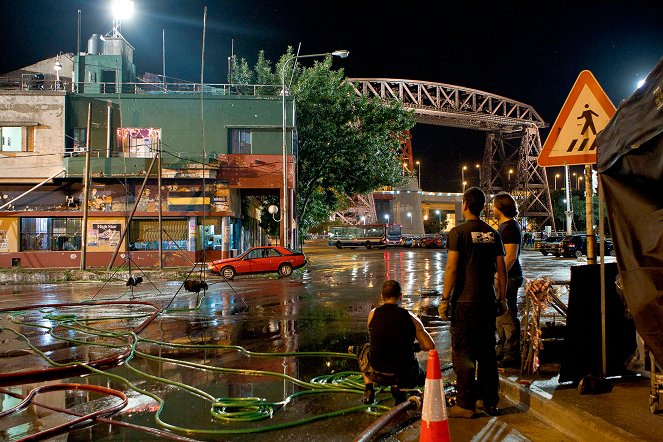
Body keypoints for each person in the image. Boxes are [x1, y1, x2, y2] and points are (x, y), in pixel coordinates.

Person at [438, 187, 507, 418]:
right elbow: (502, 269)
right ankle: (490, 402)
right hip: (487, 302)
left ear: (465, 205)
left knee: (464, 353)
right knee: (487, 353)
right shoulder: (493, 234)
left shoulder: (457, 233)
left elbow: (452, 268)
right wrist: (503, 298)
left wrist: (445, 299)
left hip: (464, 303)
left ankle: (466, 404)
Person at [360, 279, 435, 405]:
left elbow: (376, 339)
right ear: (401, 296)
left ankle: (369, 389)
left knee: (365, 349)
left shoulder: (373, 314)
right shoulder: (410, 317)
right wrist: (415, 345)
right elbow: (429, 346)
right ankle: (402, 389)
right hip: (404, 373)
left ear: (382, 296)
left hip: (377, 372)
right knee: (415, 363)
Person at [493, 192, 524, 369]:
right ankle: (502, 349)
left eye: (495, 205)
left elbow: (510, 256)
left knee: (508, 316)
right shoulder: (504, 226)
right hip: (505, 277)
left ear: (501, 207)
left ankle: (512, 353)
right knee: (500, 316)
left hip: (509, 278)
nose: (493, 208)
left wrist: (499, 275)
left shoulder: (510, 227)